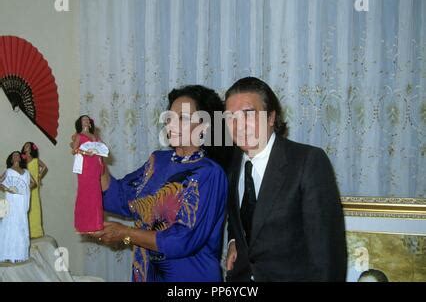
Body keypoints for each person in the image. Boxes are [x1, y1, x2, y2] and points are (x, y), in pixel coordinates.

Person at [92, 85, 229, 282]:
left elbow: (182, 240)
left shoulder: (210, 173)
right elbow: (118, 197)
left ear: (204, 126)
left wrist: (126, 234)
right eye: (170, 118)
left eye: (182, 118)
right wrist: (94, 155)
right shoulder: (158, 161)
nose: (172, 124)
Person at [224, 77, 347, 281]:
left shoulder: (307, 162)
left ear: (271, 117)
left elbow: (328, 254)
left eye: (248, 114)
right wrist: (233, 241)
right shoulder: (232, 162)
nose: (238, 126)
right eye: (230, 117)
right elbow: (238, 217)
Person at [0, 151, 36, 263]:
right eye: (14, 155)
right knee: (10, 223)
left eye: (18, 155)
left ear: (21, 158)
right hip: (12, 201)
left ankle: (21, 253)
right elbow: (0, 182)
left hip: (22, 201)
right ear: (11, 159)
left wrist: (25, 188)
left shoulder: (26, 172)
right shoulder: (8, 171)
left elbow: (34, 183)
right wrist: (6, 188)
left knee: (21, 223)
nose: (16, 156)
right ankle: (7, 253)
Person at [71, 115, 104, 233]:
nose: (86, 121)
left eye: (87, 119)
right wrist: (85, 152)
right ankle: (84, 224)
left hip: (95, 165)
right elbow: (74, 150)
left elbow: (101, 149)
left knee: (96, 193)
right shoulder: (79, 136)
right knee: (85, 192)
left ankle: (97, 222)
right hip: (85, 166)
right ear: (80, 122)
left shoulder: (94, 136)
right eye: (83, 119)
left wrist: (101, 160)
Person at [21, 142, 48, 238]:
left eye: (28, 146)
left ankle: (35, 231)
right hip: (25, 186)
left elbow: (44, 167)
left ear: (32, 148)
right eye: (25, 146)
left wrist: (39, 175)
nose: (26, 147)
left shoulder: (35, 160)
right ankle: (25, 231)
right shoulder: (22, 161)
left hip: (34, 186)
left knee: (34, 206)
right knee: (25, 207)